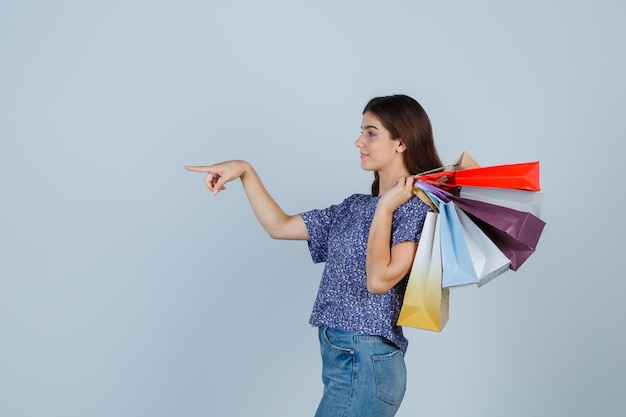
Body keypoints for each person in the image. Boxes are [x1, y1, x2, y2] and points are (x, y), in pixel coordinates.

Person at [185, 94, 444, 417]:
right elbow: (280, 226)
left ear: (401, 143)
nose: (358, 141)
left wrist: (387, 206)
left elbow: (379, 280)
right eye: (361, 131)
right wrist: (245, 171)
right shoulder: (354, 207)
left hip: (365, 361)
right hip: (344, 361)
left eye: (371, 132)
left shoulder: (416, 209)